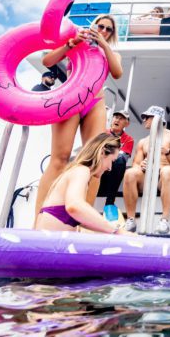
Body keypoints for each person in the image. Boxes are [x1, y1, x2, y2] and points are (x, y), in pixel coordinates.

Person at [35, 14, 123, 220]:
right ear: (93, 26)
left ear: (112, 34)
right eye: (100, 26)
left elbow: (117, 73)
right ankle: (39, 218)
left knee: (95, 161)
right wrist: (70, 44)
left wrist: (104, 45)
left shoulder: (111, 52)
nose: (103, 30)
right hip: (70, 98)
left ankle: (83, 221)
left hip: (95, 102)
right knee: (59, 158)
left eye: (108, 29)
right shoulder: (76, 44)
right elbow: (47, 60)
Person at [36, 133, 131, 234]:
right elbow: (75, 206)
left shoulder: (77, 171)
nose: (110, 168)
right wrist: (117, 231)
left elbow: (84, 220)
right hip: (50, 246)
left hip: (50, 243)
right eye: (112, 161)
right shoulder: (82, 171)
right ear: (102, 152)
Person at [123, 106, 170, 234]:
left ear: (157, 119)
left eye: (147, 117)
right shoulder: (143, 141)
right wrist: (141, 166)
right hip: (147, 177)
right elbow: (135, 164)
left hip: (164, 178)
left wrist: (168, 153)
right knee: (130, 173)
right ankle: (130, 220)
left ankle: (165, 219)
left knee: (167, 170)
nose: (144, 120)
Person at [98, 110, 134, 207]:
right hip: (98, 172)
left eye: (121, 118)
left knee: (120, 159)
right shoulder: (102, 133)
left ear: (127, 123)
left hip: (112, 173)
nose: (117, 120)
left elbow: (123, 157)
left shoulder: (128, 139)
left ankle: (110, 202)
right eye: (115, 117)